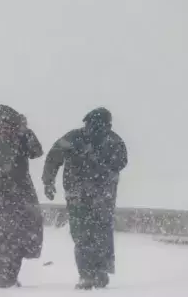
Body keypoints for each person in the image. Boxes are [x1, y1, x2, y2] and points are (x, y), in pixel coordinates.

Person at [41, 107, 128, 290]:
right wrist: (48, 181)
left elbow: (120, 162)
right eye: (93, 124)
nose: (95, 128)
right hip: (86, 196)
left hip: (95, 197)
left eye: (100, 125)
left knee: (92, 235)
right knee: (88, 235)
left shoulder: (110, 140)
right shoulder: (80, 138)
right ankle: (90, 273)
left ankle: (96, 272)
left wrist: (97, 163)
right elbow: (54, 157)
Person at [0, 104, 44, 288]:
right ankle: (3, 278)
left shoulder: (22, 137)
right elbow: (3, 163)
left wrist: (26, 132)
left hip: (21, 191)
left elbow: (37, 152)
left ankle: (7, 276)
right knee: (6, 236)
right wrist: (15, 135)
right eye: (2, 123)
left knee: (24, 233)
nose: (6, 127)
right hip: (4, 193)